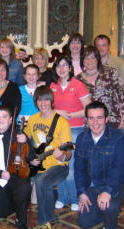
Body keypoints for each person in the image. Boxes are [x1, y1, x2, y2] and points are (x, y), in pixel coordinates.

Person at [19, 86, 72, 229]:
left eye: (46, 99)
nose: (43, 103)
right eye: (39, 100)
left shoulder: (61, 122)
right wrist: (30, 158)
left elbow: (68, 154)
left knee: (42, 181)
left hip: (58, 166)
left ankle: (46, 223)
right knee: (37, 181)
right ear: (36, 101)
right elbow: (27, 143)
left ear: (51, 100)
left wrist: (61, 156)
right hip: (38, 166)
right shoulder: (33, 119)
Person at [75, 101, 124, 229]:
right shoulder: (82, 138)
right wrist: (82, 192)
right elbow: (79, 168)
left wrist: (108, 192)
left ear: (107, 119)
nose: (95, 122)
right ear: (86, 120)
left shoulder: (118, 138)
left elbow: (119, 169)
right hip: (93, 185)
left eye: (99, 118)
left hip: (115, 183)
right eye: (91, 118)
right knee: (84, 223)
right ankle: (107, 208)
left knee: (109, 206)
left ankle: (111, 223)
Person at [51, 56, 91, 211]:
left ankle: (75, 198)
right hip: (58, 131)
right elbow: (45, 107)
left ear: (70, 68)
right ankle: (62, 197)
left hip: (74, 129)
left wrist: (71, 115)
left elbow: (88, 108)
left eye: (65, 65)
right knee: (59, 164)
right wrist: (57, 112)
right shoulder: (52, 85)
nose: (62, 68)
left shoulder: (78, 85)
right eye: (59, 66)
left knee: (73, 167)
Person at [94, 34, 124, 178]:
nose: (101, 48)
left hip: (119, 115)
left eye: (103, 45)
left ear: (109, 47)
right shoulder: (94, 64)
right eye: (98, 46)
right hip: (101, 117)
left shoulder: (119, 64)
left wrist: (122, 113)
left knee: (121, 145)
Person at [76, 46, 124, 129]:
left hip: (112, 121)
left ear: (97, 59)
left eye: (93, 58)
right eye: (86, 58)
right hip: (89, 124)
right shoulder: (77, 79)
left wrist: (123, 118)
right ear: (82, 60)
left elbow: (122, 94)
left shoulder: (110, 73)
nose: (89, 61)